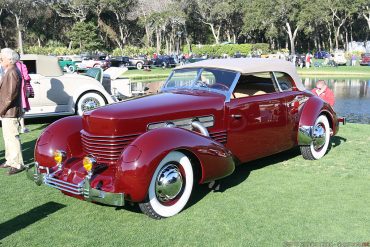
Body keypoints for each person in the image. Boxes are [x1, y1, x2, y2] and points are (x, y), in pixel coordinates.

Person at [0, 48, 25, 175]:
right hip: (7, 111)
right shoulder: (9, 71)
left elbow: (10, 95)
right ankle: (10, 160)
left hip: (10, 111)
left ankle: (17, 164)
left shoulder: (12, 72)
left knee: (13, 137)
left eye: (2, 58)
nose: (0, 60)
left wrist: (1, 109)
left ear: (10, 60)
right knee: (7, 137)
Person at [15, 53, 31, 133]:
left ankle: (17, 128)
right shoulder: (22, 65)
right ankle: (23, 128)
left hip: (14, 90)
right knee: (22, 110)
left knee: (16, 110)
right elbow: (27, 77)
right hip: (21, 90)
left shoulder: (9, 66)